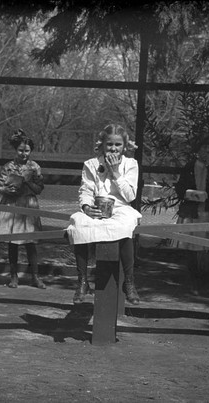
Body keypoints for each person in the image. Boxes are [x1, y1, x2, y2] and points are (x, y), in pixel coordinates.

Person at [66, 124, 142, 305]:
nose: (113, 149)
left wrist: (115, 172)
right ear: (102, 145)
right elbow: (86, 190)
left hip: (121, 208)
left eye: (118, 145)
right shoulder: (91, 164)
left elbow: (130, 196)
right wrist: (85, 207)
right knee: (78, 224)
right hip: (96, 207)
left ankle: (129, 282)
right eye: (110, 144)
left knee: (125, 227)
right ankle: (82, 281)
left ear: (125, 146)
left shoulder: (130, 165)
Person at [0, 129, 46, 289]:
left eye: (26, 150)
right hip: (12, 205)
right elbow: (0, 186)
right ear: (16, 150)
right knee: (13, 242)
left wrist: (27, 182)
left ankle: (35, 276)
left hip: (28, 204)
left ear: (31, 151)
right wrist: (6, 190)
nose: (23, 153)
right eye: (20, 150)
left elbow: (39, 189)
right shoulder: (8, 167)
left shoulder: (35, 167)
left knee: (30, 242)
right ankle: (14, 277)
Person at [173, 137, 209, 297]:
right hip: (192, 213)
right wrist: (189, 194)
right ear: (198, 150)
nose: (208, 152)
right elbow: (180, 188)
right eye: (205, 148)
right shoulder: (189, 167)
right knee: (192, 249)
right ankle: (194, 282)